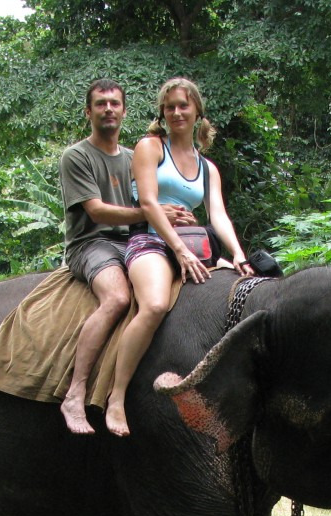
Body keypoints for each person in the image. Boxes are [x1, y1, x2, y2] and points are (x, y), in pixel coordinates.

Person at [105, 77, 255, 437]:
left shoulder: (208, 168)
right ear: (162, 112)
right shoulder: (150, 147)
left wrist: (238, 255)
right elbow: (149, 203)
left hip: (191, 244)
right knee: (154, 304)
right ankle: (116, 396)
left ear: (197, 111)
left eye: (183, 105)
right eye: (169, 106)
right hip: (152, 243)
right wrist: (178, 250)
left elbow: (217, 216)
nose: (176, 112)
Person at [58, 79, 198, 434]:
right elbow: (98, 212)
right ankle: (75, 394)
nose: (109, 109)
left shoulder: (131, 157)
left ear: (124, 111)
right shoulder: (77, 156)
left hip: (133, 242)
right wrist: (151, 214)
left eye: (115, 103)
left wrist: (176, 216)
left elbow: (152, 199)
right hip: (92, 242)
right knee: (119, 297)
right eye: (101, 103)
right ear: (88, 112)